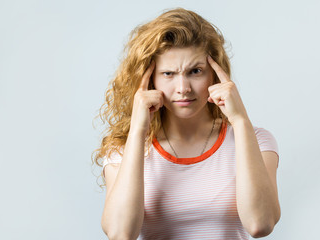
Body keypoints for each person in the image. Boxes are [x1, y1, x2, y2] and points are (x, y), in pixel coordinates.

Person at [93, 7, 280, 240]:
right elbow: (121, 234)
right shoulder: (123, 149)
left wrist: (240, 121)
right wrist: (138, 132)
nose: (183, 88)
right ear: (150, 80)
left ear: (214, 75)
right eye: (169, 74)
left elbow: (260, 224)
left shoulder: (257, 140)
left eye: (195, 71)